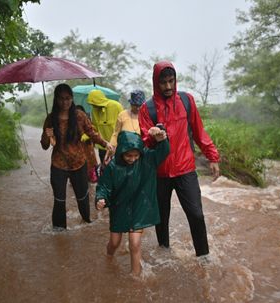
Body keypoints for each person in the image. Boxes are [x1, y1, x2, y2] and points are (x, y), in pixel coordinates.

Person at [138, 61, 220, 257]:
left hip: (185, 169)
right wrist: (153, 136)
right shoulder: (147, 108)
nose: (168, 87)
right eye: (163, 83)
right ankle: (164, 255)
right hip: (159, 172)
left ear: (175, 80)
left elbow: (199, 132)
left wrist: (212, 156)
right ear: (155, 83)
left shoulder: (186, 101)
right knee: (161, 218)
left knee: (196, 215)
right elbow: (144, 141)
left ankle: (204, 258)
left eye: (171, 81)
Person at [95, 128, 169, 275]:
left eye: (136, 155)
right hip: (119, 207)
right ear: (121, 151)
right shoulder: (113, 167)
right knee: (114, 243)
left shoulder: (146, 159)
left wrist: (161, 140)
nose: (132, 159)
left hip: (139, 206)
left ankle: (135, 277)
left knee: (135, 244)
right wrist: (100, 198)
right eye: (129, 155)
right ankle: (108, 257)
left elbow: (163, 152)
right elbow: (103, 186)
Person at [41, 84, 114, 230]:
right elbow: (44, 145)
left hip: (79, 163)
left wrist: (106, 143)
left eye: (67, 98)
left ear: (72, 99)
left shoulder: (79, 116)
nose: (64, 102)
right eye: (61, 99)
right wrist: (46, 135)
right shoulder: (51, 119)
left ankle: (86, 222)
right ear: (56, 99)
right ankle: (59, 231)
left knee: (82, 198)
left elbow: (92, 133)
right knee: (59, 200)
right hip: (58, 165)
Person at [105, 89, 146, 162]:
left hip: (139, 154)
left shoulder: (146, 116)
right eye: (135, 105)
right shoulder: (122, 115)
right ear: (131, 104)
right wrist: (111, 147)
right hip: (124, 153)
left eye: (140, 105)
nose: (138, 108)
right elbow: (116, 133)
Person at [86, 89, 124, 166]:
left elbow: (124, 125)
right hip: (103, 147)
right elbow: (95, 127)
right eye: (92, 104)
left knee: (119, 169)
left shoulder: (116, 106)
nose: (93, 106)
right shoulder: (94, 111)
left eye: (94, 103)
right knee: (105, 169)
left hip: (117, 146)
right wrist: (87, 134)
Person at [76, 105, 98, 183]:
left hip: (88, 146)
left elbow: (93, 131)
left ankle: (91, 176)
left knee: (90, 162)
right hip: (78, 147)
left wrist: (87, 135)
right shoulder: (71, 121)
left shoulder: (87, 119)